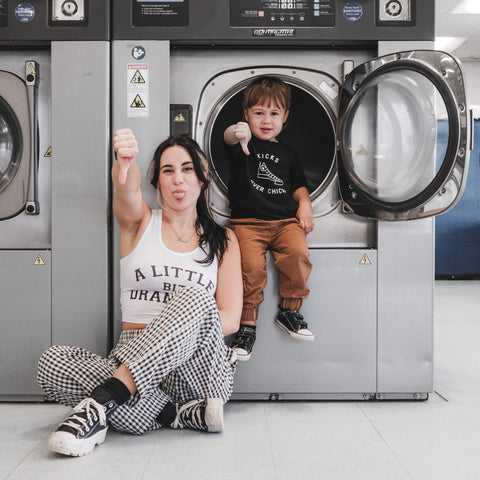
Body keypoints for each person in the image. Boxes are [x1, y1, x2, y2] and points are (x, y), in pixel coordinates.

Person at [37, 130, 242, 457]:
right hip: (131, 357)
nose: (178, 179)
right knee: (52, 363)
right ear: (157, 181)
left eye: (188, 169)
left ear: (203, 180)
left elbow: (230, 319)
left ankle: (103, 402)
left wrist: (174, 327)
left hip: (197, 369)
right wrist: (125, 163)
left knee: (195, 297)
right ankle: (173, 414)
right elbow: (127, 190)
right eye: (167, 170)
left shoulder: (223, 240)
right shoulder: (139, 223)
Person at [223, 75, 314, 362]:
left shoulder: (288, 153)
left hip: (285, 222)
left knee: (298, 255)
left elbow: (298, 185)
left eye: (274, 113)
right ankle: (246, 326)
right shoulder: (240, 143)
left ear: (285, 117)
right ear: (246, 115)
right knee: (250, 270)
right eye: (258, 113)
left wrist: (305, 204)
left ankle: (290, 311)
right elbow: (226, 137)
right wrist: (237, 133)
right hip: (247, 223)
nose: (266, 120)